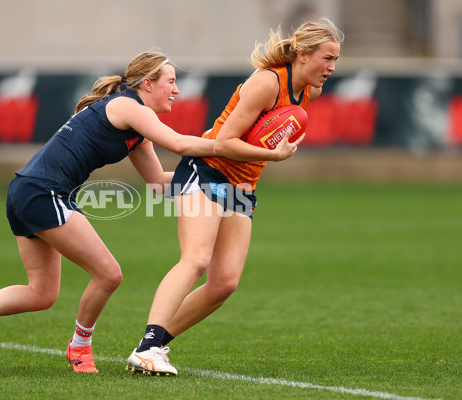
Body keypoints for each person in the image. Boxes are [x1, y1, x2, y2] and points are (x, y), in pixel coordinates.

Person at [0, 51, 220, 373]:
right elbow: (180, 145)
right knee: (109, 274)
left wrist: (210, 179)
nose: (177, 90)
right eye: (171, 82)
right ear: (147, 84)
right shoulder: (129, 106)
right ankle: (80, 347)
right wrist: (227, 148)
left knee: (42, 293)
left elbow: (158, 182)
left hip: (27, 190)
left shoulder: (136, 126)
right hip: (43, 193)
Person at [126, 18, 344, 376]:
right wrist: (275, 156)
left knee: (224, 283)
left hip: (243, 187)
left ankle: (151, 345)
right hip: (207, 170)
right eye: (328, 58)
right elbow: (224, 142)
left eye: (336, 60)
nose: (332, 68)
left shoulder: (309, 91)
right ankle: (149, 346)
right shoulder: (266, 82)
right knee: (196, 259)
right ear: (303, 55)